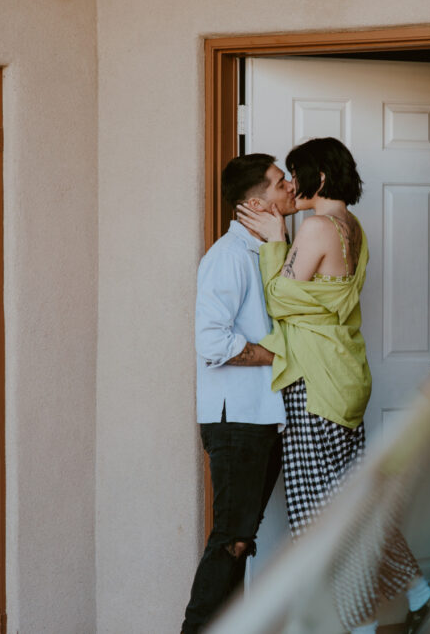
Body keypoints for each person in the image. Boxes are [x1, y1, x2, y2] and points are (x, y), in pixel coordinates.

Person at [236, 137, 430, 634]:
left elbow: (280, 300)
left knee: (318, 517)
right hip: (347, 374)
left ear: (320, 178)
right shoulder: (354, 226)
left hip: (318, 382)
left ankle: (356, 624)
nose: (291, 185)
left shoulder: (314, 228)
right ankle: (417, 592)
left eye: (296, 174)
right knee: (355, 503)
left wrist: (274, 242)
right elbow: (325, 301)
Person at [182, 153, 297, 634]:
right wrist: (282, 354)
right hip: (238, 422)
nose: (291, 185)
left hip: (266, 416)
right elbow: (212, 343)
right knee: (232, 538)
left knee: (241, 539)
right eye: (279, 182)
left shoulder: (271, 248)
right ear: (256, 202)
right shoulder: (227, 258)